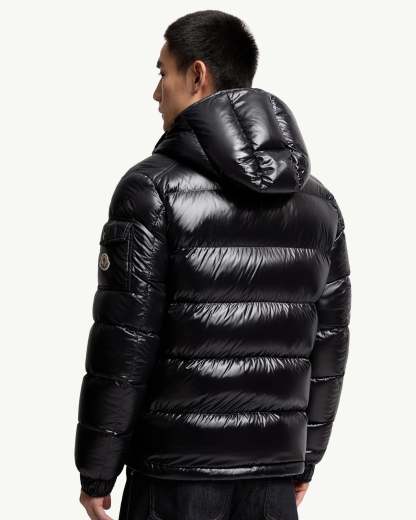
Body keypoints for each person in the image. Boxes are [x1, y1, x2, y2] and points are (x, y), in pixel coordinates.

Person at [74, 9, 351, 520]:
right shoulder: (319, 205)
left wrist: (96, 471)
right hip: (272, 479)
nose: (156, 93)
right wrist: (304, 461)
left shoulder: (150, 190)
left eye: (163, 72)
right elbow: (329, 347)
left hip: (173, 479)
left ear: (197, 75)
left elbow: (124, 343)